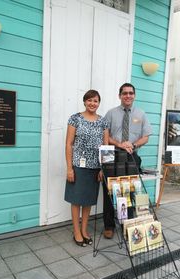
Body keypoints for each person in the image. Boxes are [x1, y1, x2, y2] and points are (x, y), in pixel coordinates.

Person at [103, 83, 152, 239]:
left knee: (130, 190)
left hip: (132, 156)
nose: (128, 96)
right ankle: (109, 225)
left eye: (131, 93)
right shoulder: (110, 114)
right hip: (113, 155)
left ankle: (128, 224)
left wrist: (133, 144)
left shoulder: (141, 114)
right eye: (125, 93)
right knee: (110, 190)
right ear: (120, 96)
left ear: (134, 95)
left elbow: (146, 136)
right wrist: (119, 144)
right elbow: (105, 135)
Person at [65, 90, 109, 247]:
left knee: (88, 201)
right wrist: (69, 168)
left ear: (99, 103)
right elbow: (69, 144)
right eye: (89, 100)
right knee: (76, 200)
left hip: (95, 168)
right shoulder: (75, 119)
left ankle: (84, 230)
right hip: (78, 167)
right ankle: (76, 232)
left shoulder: (103, 122)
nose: (92, 103)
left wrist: (103, 168)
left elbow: (106, 146)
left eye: (95, 101)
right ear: (84, 102)